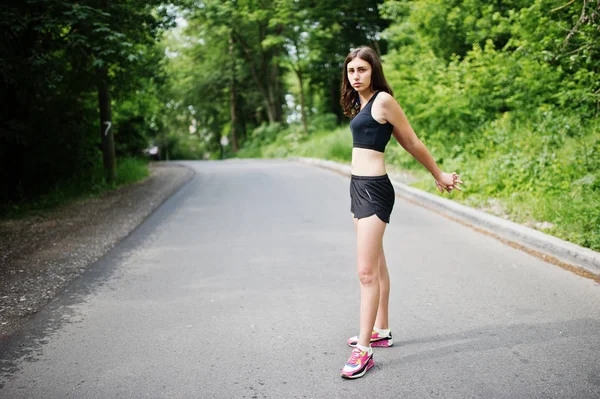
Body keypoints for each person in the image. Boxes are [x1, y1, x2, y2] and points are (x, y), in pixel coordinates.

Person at [339, 46, 463, 379]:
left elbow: (411, 142)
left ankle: (363, 351)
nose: (356, 76)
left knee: (365, 273)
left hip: (375, 191)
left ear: (373, 70)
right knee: (376, 265)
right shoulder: (363, 103)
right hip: (357, 187)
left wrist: (439, 174)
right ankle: (381, 330)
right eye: (351, 71)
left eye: (362, 70)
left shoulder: (383, 101)